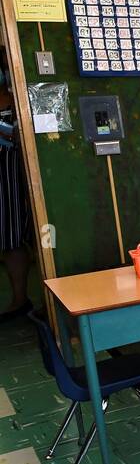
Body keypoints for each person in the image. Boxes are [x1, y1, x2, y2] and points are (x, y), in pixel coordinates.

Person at [0, 111, 33, 321]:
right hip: (7, 167)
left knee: (42, 238)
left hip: (16, 159)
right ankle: (20, 300)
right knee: (10, 237)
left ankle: (51, 304)